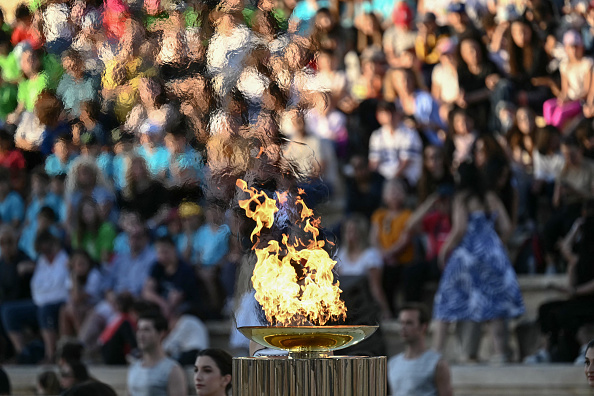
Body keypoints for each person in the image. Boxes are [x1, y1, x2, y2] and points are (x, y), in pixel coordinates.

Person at [432, 162, 525, 363]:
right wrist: (496, 244)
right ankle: (500, 354)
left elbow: (460, 229)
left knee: (446, 301)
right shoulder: (490, 197)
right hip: (492, 253)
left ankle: (436, 353)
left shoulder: (461, 198)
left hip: (467, 255)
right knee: (494, 304)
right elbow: (508, 226)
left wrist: (445, 250)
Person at [388, 303, 452, 396]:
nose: (403, 327)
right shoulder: (393, 364)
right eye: (401, 322)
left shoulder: (437, 364)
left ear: (423, 327)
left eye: (409, 323)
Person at [127, 312, 186, 396]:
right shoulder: (133, 368)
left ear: (161, 333)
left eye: (146, 330)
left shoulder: (172, 370)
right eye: (139, 329)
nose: (140, 335)